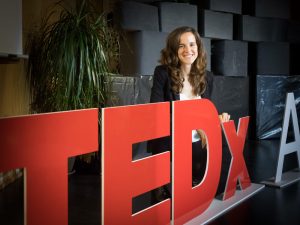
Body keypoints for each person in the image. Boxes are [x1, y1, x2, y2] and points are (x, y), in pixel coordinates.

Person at [148, 26, 230, 203]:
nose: (188, 50)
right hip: (170, 144)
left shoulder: (207, 77)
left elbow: (206, 110)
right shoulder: (162, 73)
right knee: (169, 203)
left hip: (198, 146)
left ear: (198, 48)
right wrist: (194, 124)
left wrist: (216, 118)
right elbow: (156, 111)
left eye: (192, 44)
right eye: (181, 46)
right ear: (173, 50)